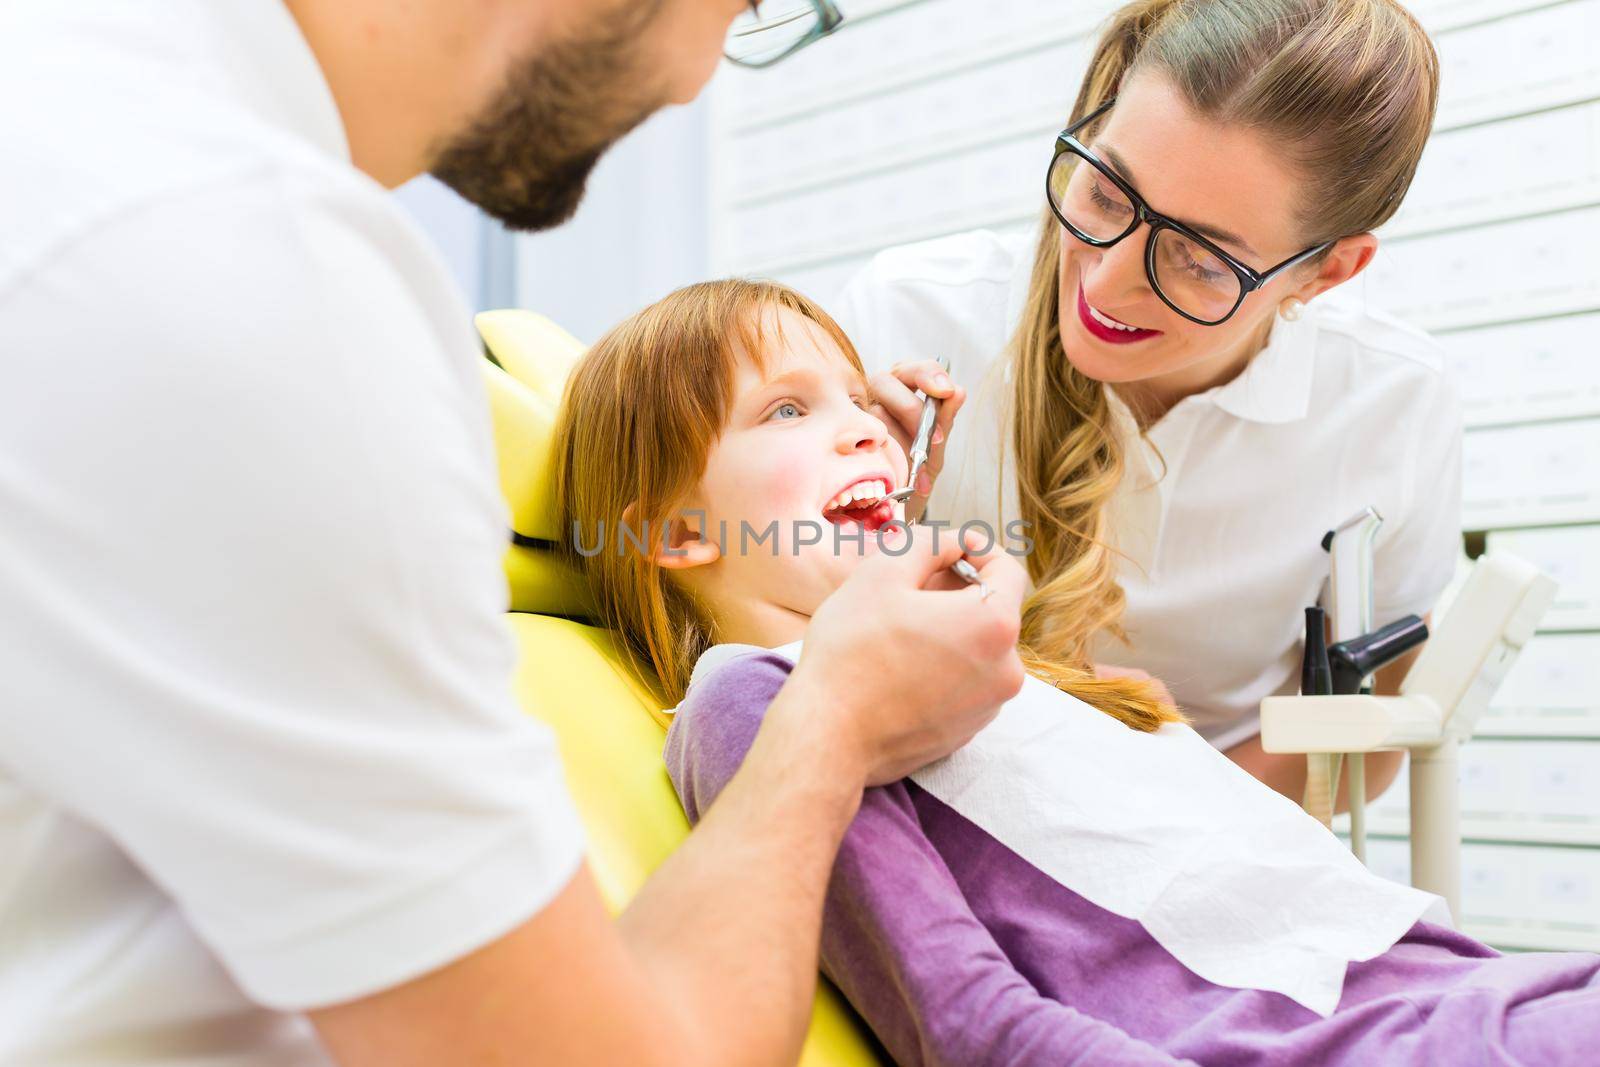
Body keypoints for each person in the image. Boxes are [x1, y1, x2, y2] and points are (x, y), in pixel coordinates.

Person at [0, 3, 1030, 1065]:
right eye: (749, 4)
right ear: (671, 531)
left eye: (858, 403)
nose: (701, 78)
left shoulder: (101, 141)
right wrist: (834, 714)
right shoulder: (250, 295)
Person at [553, 276, 1600, 1066]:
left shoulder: (992, 673)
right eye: (789, 409)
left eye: (857, 398)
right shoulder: (767, 695)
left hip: (1455, 986)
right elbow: (972, 1020)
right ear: (680, 530)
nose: (866, 423)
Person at [834, 0, 1463, 809]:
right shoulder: (911, 315)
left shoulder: (1392, 405)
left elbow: (1366, 733)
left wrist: (1159, 826)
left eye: (1200, 259)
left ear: (1327, 272)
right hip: (922, 820)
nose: (1104, 283)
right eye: (1105, 191)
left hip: (1212, 846)